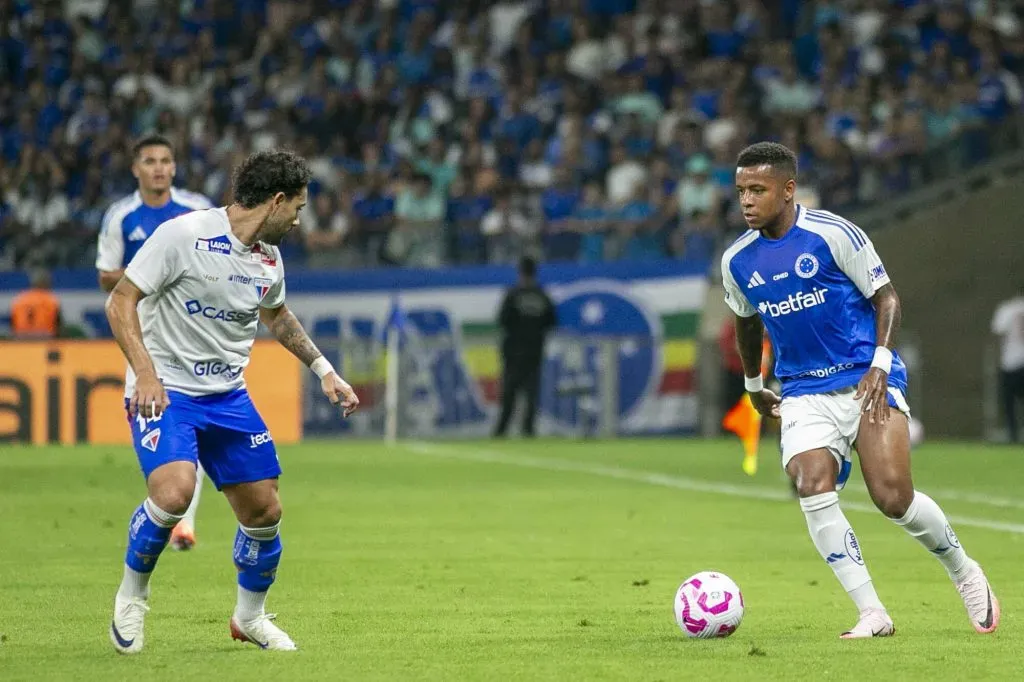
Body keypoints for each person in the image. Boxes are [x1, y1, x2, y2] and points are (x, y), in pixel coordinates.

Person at [721, 141, 998, 639]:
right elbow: (746, 321)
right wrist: (754, 385)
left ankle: (964, 570)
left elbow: (886, 299)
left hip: (865, 377)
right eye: (741, 190)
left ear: (788, 190)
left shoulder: (833, 234)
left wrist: (880, 363)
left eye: (757, 190)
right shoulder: (737, 260)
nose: (746, 200)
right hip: (802, 389)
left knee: (893, 498)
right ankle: (873, 613)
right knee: (811, 484)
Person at [105, 150, 359, 654]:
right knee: (174, 493)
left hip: (228, 396)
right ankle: (132, 597)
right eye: (298, 208)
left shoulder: (268, 258)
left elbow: (277, 316)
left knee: (265, 510)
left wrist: (324, 370)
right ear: (277, 201)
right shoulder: (184, 235)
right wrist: (146, 373)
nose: (299, 220)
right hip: (167, 390)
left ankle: (250, 617)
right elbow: (120, 300)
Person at [97, 133, 214, 551]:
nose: (159, 168)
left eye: (165, 160)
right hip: (146, 335)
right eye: (150, 161)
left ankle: (185, 522)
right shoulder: (121, 216)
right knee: (158, 420)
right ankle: (167, 504)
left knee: (196, 427)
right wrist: (151, 268)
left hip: (194, 331)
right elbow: (106, 276)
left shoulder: (197, 208)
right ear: (136, 169)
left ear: (175, 167)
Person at [493, 256, 556, 438]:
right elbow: (551, 321)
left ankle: (501, 430)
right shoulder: (542, 296)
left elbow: (502, 320)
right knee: (531, 393)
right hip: (534, 351)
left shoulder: (513, 294)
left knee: (509, 393)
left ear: (520, 272)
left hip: (513, 351)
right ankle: (528, 430)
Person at [991, 291, 1024, 443]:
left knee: (1009, 402)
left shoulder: (1007, 309)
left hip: (1010, 362)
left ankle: (1013, 434)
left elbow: (999, 333)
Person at [10, 268, 61, 338]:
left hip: (20, 338)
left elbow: (12, 324)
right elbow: (58, 326)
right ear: (45, 283)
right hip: (45, 338)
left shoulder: (19, 300)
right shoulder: (51, 300)